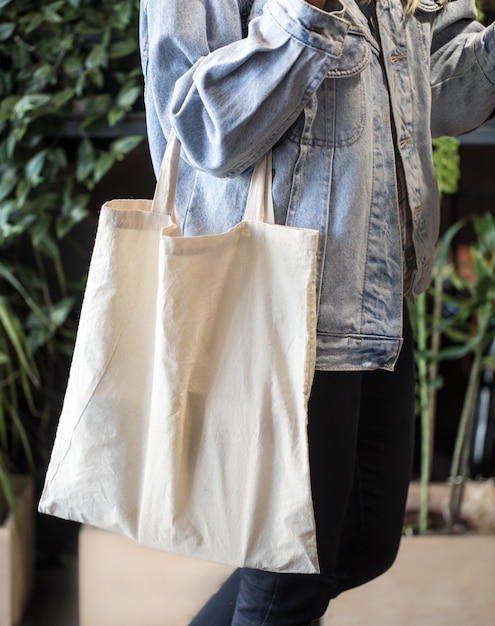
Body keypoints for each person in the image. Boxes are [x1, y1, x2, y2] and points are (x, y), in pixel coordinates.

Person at [139, 0, 495, 623]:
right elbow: (197, 130)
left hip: (378, 291)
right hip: (279, 302)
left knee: (361, 547)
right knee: (291, 581)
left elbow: (436, 86)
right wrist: (311, 14)